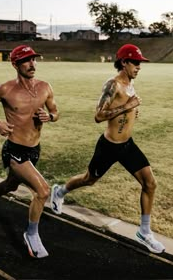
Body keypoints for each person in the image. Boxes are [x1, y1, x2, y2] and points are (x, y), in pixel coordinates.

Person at [51, 44, 165, 254]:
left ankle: (144, 232)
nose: (139, 67)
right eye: (136, 63)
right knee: (89, 179)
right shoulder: (113, 85)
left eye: (140, 63)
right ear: (124, 62)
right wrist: (127, 107)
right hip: (109, 147)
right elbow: (98, 116)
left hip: (127, 146)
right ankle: (59, 191)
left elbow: (123, 110)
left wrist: (131, 114)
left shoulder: (130, 84)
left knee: (150, 183)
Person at [0, 45, 59, 258]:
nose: (32, 64)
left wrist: (49, 117)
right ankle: (31, 235)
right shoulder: (6, 90)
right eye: (26, 60)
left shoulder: (45, 87)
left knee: (12, 184)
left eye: (34, 59)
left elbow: (55, 112)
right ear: (15, 64)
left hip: (34, 149)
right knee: (43, 191)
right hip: (14, 149)